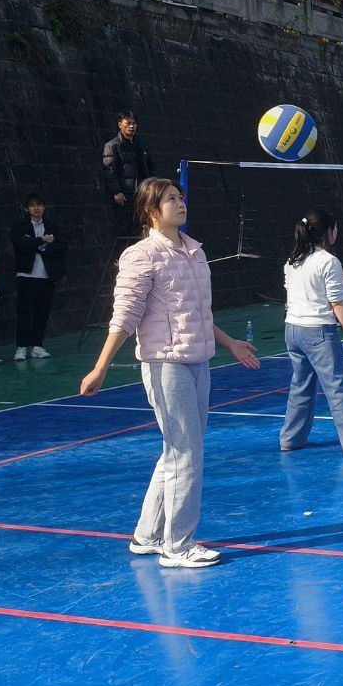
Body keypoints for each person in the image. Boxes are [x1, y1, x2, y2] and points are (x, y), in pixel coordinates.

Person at [80, 177, 261, 568]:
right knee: (186, 454)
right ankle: (178, 546)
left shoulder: (194, 251)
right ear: (151, 211)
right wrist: (100, 367)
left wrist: (229, 342)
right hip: (165, 365)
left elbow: (196, 313)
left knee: (177, 451)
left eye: (180, 197)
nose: (180, 203)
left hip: (199, 361)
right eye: (170, 200)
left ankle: (147, 535)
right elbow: (125, 315)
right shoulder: (141, 256)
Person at [280, 210, 343, 456]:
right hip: (318, 331)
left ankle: (291, 438)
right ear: (328, 232)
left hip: (293, 328)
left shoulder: (293, 261)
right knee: (338, 387)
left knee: (300, 385)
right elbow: (337, 302)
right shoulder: (328, 261)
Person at [10, 193, 67, 361]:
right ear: (26, 208)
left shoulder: (52, 225)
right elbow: (20, 245)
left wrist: (39, 246)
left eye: (39, 205)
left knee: (43, 312)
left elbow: (61, 246)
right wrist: (42, 240)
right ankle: (21, 347)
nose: (37, 208)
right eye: (33, 205)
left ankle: (37, 345)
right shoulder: (20, 226)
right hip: (26, 275)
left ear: (44, 207)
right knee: (25, 312)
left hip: (47, 276)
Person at [101, 110, 155, 238]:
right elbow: (109, 170)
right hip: (124, 194)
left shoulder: (141, 144)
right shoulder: (113, 146)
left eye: (134, 123)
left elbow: (150, 167)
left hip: (141, 193)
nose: (131, 126)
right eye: (128, 123)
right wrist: (116, 191)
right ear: (120, 124)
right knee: (123, 227)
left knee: (141, 226)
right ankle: (120, 251)